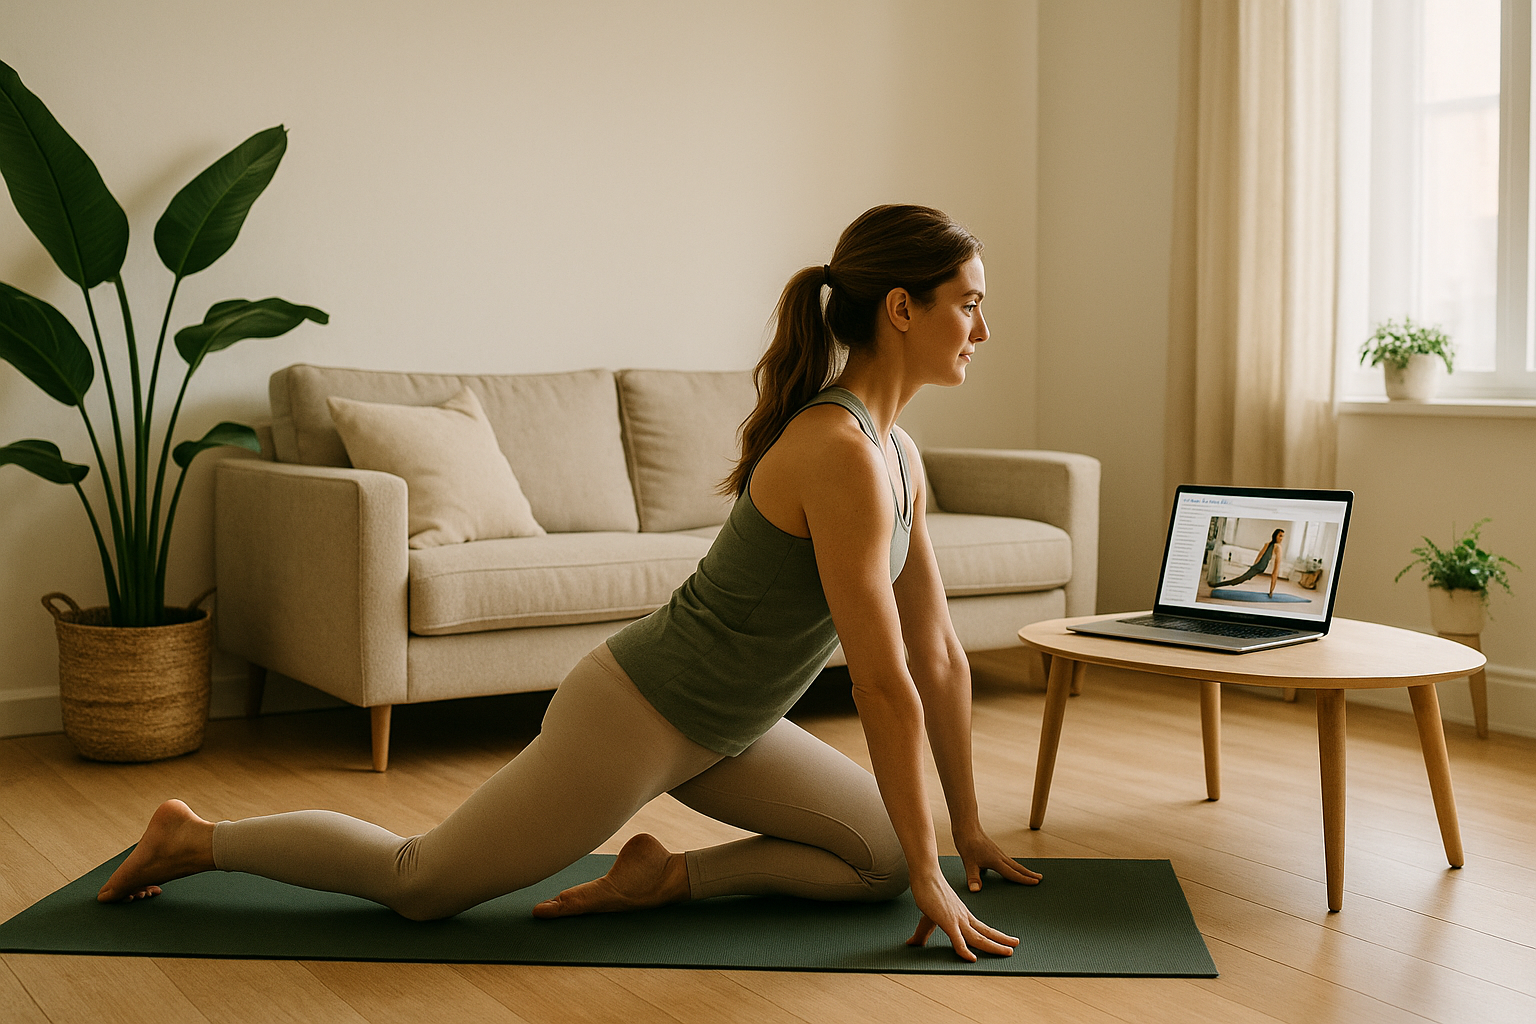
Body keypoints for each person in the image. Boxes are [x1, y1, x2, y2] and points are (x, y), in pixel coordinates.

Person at [97, 204, 1041, 963]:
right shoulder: (836, 450)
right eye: (969, 304)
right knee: (421, 883)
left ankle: (660, 877)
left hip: (736, 729)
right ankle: (194, 837)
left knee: (880, 861)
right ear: (902, 309)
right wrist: (937, 870)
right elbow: (882, 684)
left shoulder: (899, 454)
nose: (984, 328)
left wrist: (960, 836)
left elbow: (940, 656)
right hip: (638, 712)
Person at [1209, 528, 1286, 597]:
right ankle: (1216, 584)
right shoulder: (1275, 546)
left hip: (1259, 567)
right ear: (1275, 535)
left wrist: (1271, 590)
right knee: (1239, 580)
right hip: (1259, 567)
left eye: (1282, 536)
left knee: (1240, 579)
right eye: (1280, 536)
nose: (1281, 538)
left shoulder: (1272, 545)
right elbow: (1261, 556)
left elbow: (1274, 568)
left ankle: (1215, 584)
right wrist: (1254, 566)